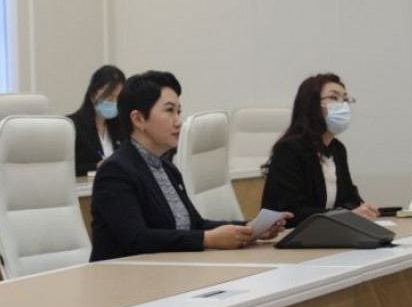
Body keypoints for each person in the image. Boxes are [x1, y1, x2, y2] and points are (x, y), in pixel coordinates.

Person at [90, 70, 288, 261]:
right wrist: (207, 239)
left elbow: (195, 225)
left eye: (179, 111)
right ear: (138, 119)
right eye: (169, 110)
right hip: (122, 276)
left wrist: (249, 228)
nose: (179, 121)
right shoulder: (115, 171)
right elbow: (137, 238)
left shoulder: (167, 168)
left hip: (166, 271)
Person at [261, 72, 379, 227]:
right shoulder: (290, 149)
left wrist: (362, 210)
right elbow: (291, 211)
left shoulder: (337, 149)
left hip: (328, 231)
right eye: (333, 98)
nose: (343, 105)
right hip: (294, 233)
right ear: (311, 104)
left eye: (345, 100)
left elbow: (349, 198)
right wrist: (344, 215)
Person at [67, 65, 127, 176]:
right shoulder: (72, 126)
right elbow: (66, 168)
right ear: (92, 95)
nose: (114, 103)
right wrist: (96, 166)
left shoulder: (120, 128)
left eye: (118, 99)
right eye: (110, 97)